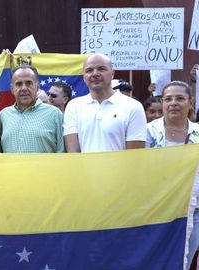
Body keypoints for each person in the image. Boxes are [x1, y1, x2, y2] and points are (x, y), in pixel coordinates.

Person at [145, 81, 199, 269]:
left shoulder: (198, 134)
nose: (173, 103)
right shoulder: (147, 132)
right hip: (156, 208)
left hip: (194, 210)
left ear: (190, 103)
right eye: (168, 99)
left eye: (180, 98)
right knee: (155, 260)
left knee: (183, 260)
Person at [63, 53, 147, 153]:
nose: (95, 74)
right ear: (84, 77)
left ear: (112, 73)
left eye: (101, 69)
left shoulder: (133, 107)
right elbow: (73, 155)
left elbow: (135, 156)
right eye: (89, 70)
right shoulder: (73, 106)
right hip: (83, 169)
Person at [0, 65, 64, 153]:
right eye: (18, 84)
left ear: (37, 86)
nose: (24, 88)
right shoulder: (4, 115)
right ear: (12, 89)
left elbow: (62, 151)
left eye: (28, 83)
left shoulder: (55, 114)